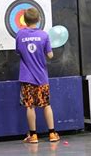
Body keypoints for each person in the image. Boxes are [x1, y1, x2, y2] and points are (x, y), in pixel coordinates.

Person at [16, 8, 60, 144]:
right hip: (42, 77)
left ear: (24, 20)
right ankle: (52, 134)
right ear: (39, 19)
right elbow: (50, 55)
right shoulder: (44, 35)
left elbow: (18, 52)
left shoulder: (20, 34)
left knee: (30, 106)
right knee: (46, 104)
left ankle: (33, 136)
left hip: (27, 77)